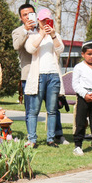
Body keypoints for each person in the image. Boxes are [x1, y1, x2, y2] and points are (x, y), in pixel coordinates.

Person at [24, 8, 66, 148]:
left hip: (53, 75)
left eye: (47, 20)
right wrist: (41, 35)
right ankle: (32, 139)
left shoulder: (55, 35)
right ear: (38, 21)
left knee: (52, 110)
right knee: (34, 110)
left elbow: (60, 50)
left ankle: (50, 139)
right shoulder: (33, 35)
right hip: (39, 76)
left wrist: (53, 36)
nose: (45, 23)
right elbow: (30, 49)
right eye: (42, 20)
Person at [12, 3, 36, 135]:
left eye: (30, 14)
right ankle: (31, 134)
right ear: (21, 18)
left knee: (52, 108)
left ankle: (56, 135)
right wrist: (26, 31)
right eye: (24, 15)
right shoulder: (18, 31)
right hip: (28, 74)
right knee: (30, 108)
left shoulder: (42, 29)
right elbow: (17, 45)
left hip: (44, 73)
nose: (28, 17)